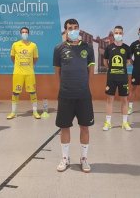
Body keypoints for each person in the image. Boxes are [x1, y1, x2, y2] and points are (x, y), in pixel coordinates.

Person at [53, 18, 95, 173]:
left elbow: (91, 69)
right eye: (70, 28)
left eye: (76, 27)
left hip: (83, 95)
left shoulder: (88, 47)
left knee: (85, 127)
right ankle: (65, 158)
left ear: (79, 29)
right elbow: (57, 71)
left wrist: (86, 86)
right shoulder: (59, 48)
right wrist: (61, 88)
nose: (73, 30)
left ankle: (84, 158)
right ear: (65, 30)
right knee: (64, 127)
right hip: (65, 95)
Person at [102, 25, 132, 131]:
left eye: (120, 33)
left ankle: (124, 123)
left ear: (122, 34)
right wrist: (112, 68)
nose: (118, 34)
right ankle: (108, 123)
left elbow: (128, 62)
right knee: (110, 100)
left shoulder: (127, 48)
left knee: (124, 100)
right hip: (111, 78)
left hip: (123, 78)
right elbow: (105, 62)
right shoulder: (109, 48)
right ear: (114, 34)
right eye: (116, 32)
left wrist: (121, 67)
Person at [7, 27, 40, 119]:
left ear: (28, 34)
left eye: (26, 32)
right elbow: (12, 57)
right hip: (18, 73)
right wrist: (18, 65)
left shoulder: (33, 45)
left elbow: (35, 58)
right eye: (23, 32)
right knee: (15, 93)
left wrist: (30, 66)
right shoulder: (15, 44)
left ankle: (35, 112)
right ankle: (13, 112)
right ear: (20, 34)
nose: (24, 33)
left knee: (32, 92)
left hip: (30, 73)